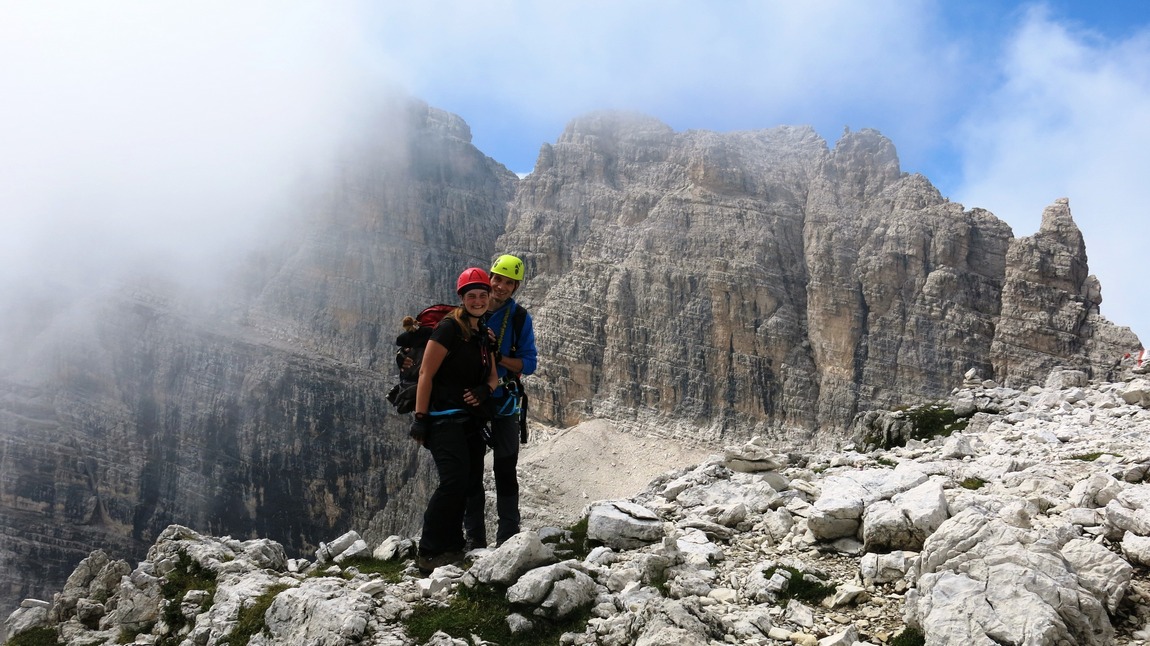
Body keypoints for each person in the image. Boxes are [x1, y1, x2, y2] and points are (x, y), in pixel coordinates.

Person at [410, 267, 499, 573]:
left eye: (482, 295)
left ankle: (452, 547)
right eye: (472, 296)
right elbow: (426, 373)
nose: (478, 301)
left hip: (470, 421)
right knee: (453, 482)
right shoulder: (448, 329)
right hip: (442, 418)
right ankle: (429, 551)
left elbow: (493, 377)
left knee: (469, 482)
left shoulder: (483, 334)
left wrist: (485, 390)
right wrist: (420, 418)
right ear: (462, 298)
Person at [463, 254, 538, 548]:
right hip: (473, 399)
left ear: (516, 287)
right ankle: (475, 539)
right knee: (472, 470)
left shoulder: (519, 318)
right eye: (498, 279)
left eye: (509, 283)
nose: (501, 287)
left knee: (505, 468)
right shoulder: (469, 311)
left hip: (504, 398)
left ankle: (507, 536)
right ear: (489, 278)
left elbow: (529, 364)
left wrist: (500, 358)